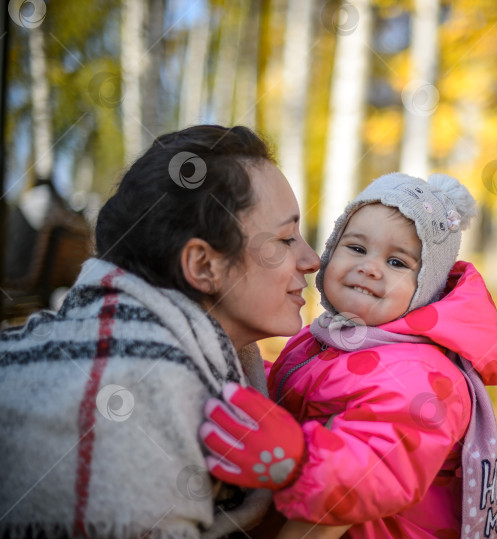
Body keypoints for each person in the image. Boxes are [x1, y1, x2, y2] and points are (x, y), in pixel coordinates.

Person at [0, 125, 320, 538]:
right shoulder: (134, 399)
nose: (311, 260)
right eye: (285, 238)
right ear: (204, 266)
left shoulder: (168, 360)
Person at [201, 172, 497, 538]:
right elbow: (296, 392)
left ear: (426, 286)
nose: (370, 267)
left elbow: (373, 472)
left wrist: (297, 458)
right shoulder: (329, 338)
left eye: (398, 263)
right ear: (331, 251)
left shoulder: (421, 375)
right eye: (357, 248)